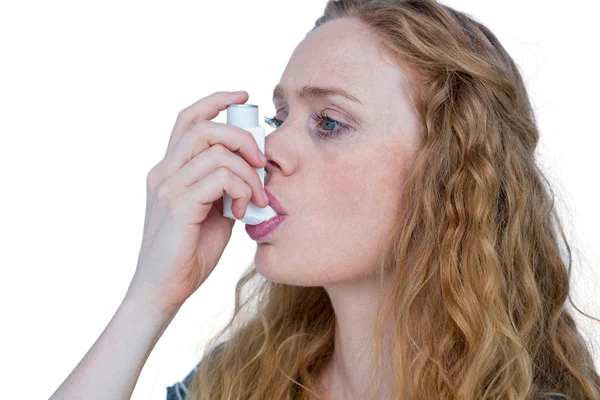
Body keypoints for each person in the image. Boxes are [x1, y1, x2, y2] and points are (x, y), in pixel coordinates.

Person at [49, 0, 600, 399]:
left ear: (450, 170)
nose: (267, 150)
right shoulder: (231, 386)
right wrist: (150, 298)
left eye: (330, 122)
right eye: (278, 117)